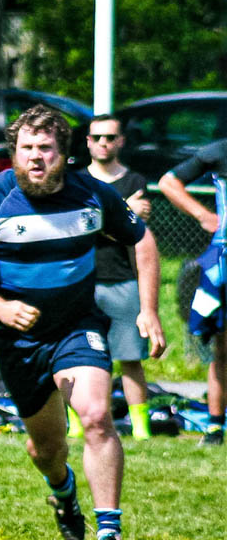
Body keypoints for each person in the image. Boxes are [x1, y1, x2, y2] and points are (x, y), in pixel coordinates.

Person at [0, 105, 163, 540]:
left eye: (45, 148)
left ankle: (109, 530)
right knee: (47, 449)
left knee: (97, 416)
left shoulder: (92, 194)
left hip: (77, 326)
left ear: (64, 153)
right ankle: (63, 493)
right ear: (14, 154)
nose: (35, 158)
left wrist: (149, 310)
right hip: (19, 340)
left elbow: (143, 240)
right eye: (26, 149)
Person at [84, 115, 158, 440]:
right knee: (82, 359)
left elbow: (135, 233)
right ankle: (78, 424)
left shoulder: (134, 180)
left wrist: (104, 223)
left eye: (110, 137)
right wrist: (121, 215)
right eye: (97, 137)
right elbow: (79, 228)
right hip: (82, 281)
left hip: (124, 280)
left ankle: (141, 428)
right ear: (87, 141)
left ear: (121, 141)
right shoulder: (77, 182)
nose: (103, 143)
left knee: (130, 358)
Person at [158, 136, 227, 445]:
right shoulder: (220, 150)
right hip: (224, 260)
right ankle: (214, 427)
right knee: (223, 349)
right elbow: (169, 182)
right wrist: (203, 216)